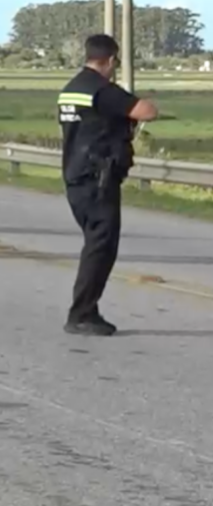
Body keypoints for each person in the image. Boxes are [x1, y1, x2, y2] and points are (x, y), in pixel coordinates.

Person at [57, 33, 158, 336]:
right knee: (100, 247)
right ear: (111, 60)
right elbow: (146, 111)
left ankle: (86, 310)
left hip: (75, 176)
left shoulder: (70, 89)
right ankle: (82, 314)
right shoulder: (102, 90)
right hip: (98, 179)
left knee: (95, 244)